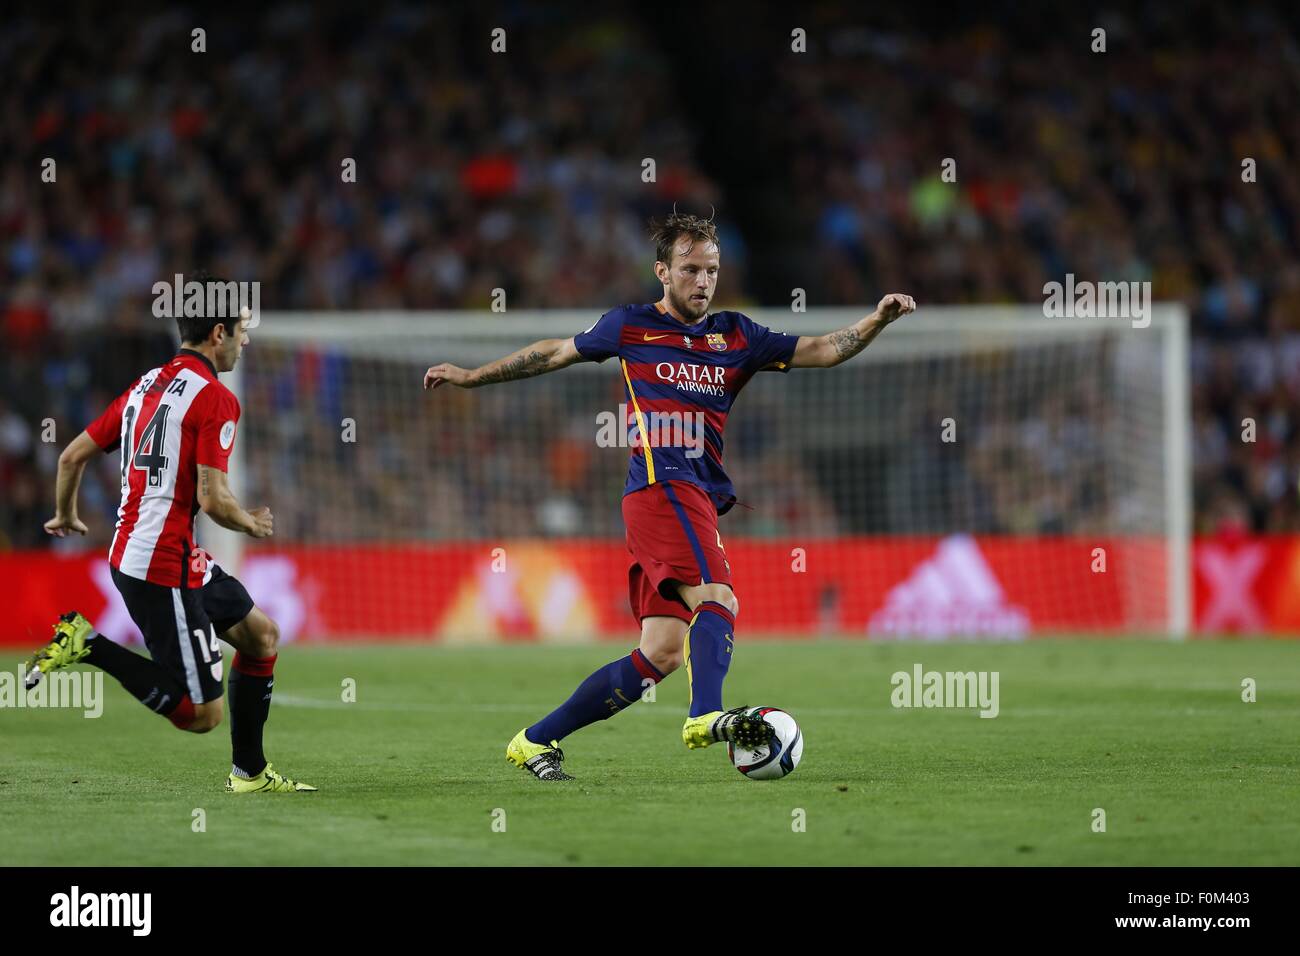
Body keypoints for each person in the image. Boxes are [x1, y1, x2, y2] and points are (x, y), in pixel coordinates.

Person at [424, 212, 915, 780]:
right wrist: (470, 376)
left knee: (659, 651)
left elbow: (825, 349)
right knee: (720, 598)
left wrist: (877, 319)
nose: (702, 281)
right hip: (663, 487)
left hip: (690, 496)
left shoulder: (737, 334)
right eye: (689, 269)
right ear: (662, 271)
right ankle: (703, 715)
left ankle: (533, 741)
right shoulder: (629, 326)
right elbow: (552, 353)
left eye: (711, 270)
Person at [24, 302, 315, 793]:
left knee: (261, 637)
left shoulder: (145, 386)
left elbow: (71, 457)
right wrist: (251, 523)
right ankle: (88, 644)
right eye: (242, 332)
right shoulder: (215, 398)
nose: (245, 343)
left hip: (155, 553)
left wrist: (65, 514)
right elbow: (213, 499)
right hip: (162, 566)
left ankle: (249, 774)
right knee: (202, 715)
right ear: (219, 332)